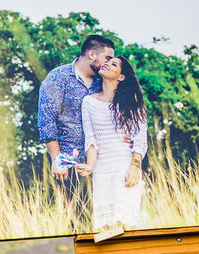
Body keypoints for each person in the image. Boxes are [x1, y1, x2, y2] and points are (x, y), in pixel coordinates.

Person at [37, 34, 116, 229]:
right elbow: (47, 121)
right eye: (107, 58)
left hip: (101, 163)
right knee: (77, 223)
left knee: (105, 221)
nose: (110, 63)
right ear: (91, 54)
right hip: (70, 166)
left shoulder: (105, 81)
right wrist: (58, 160)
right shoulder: (58, 77)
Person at [75, 56, 148, 238]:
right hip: (102, 170)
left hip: (125, 165)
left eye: (113, 64)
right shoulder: (88, 102)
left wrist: (135, 166)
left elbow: (140, 137)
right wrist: (90, 166)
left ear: (122, 76)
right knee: (107, 231)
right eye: (107, 62)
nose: (107, 64)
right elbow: (91, 139)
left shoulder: (132, 101)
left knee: (127, 224)